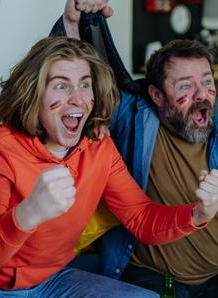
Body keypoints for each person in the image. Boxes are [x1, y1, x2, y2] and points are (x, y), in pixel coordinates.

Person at [0, 36, 218, 298]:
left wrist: (196, 215)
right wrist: (27, 214)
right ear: (33, 92)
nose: (78, 99)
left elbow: (141, 218)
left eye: (85, 84)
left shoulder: (98, 147)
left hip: (55, 278)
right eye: (61, 86)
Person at [54, 1, 218, 297]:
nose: (201, 95)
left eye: (207, 82)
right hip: (155, 276)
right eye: (184, 87)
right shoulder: (132, 116)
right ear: (156, 94)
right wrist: (72, 22)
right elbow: (79, 84)